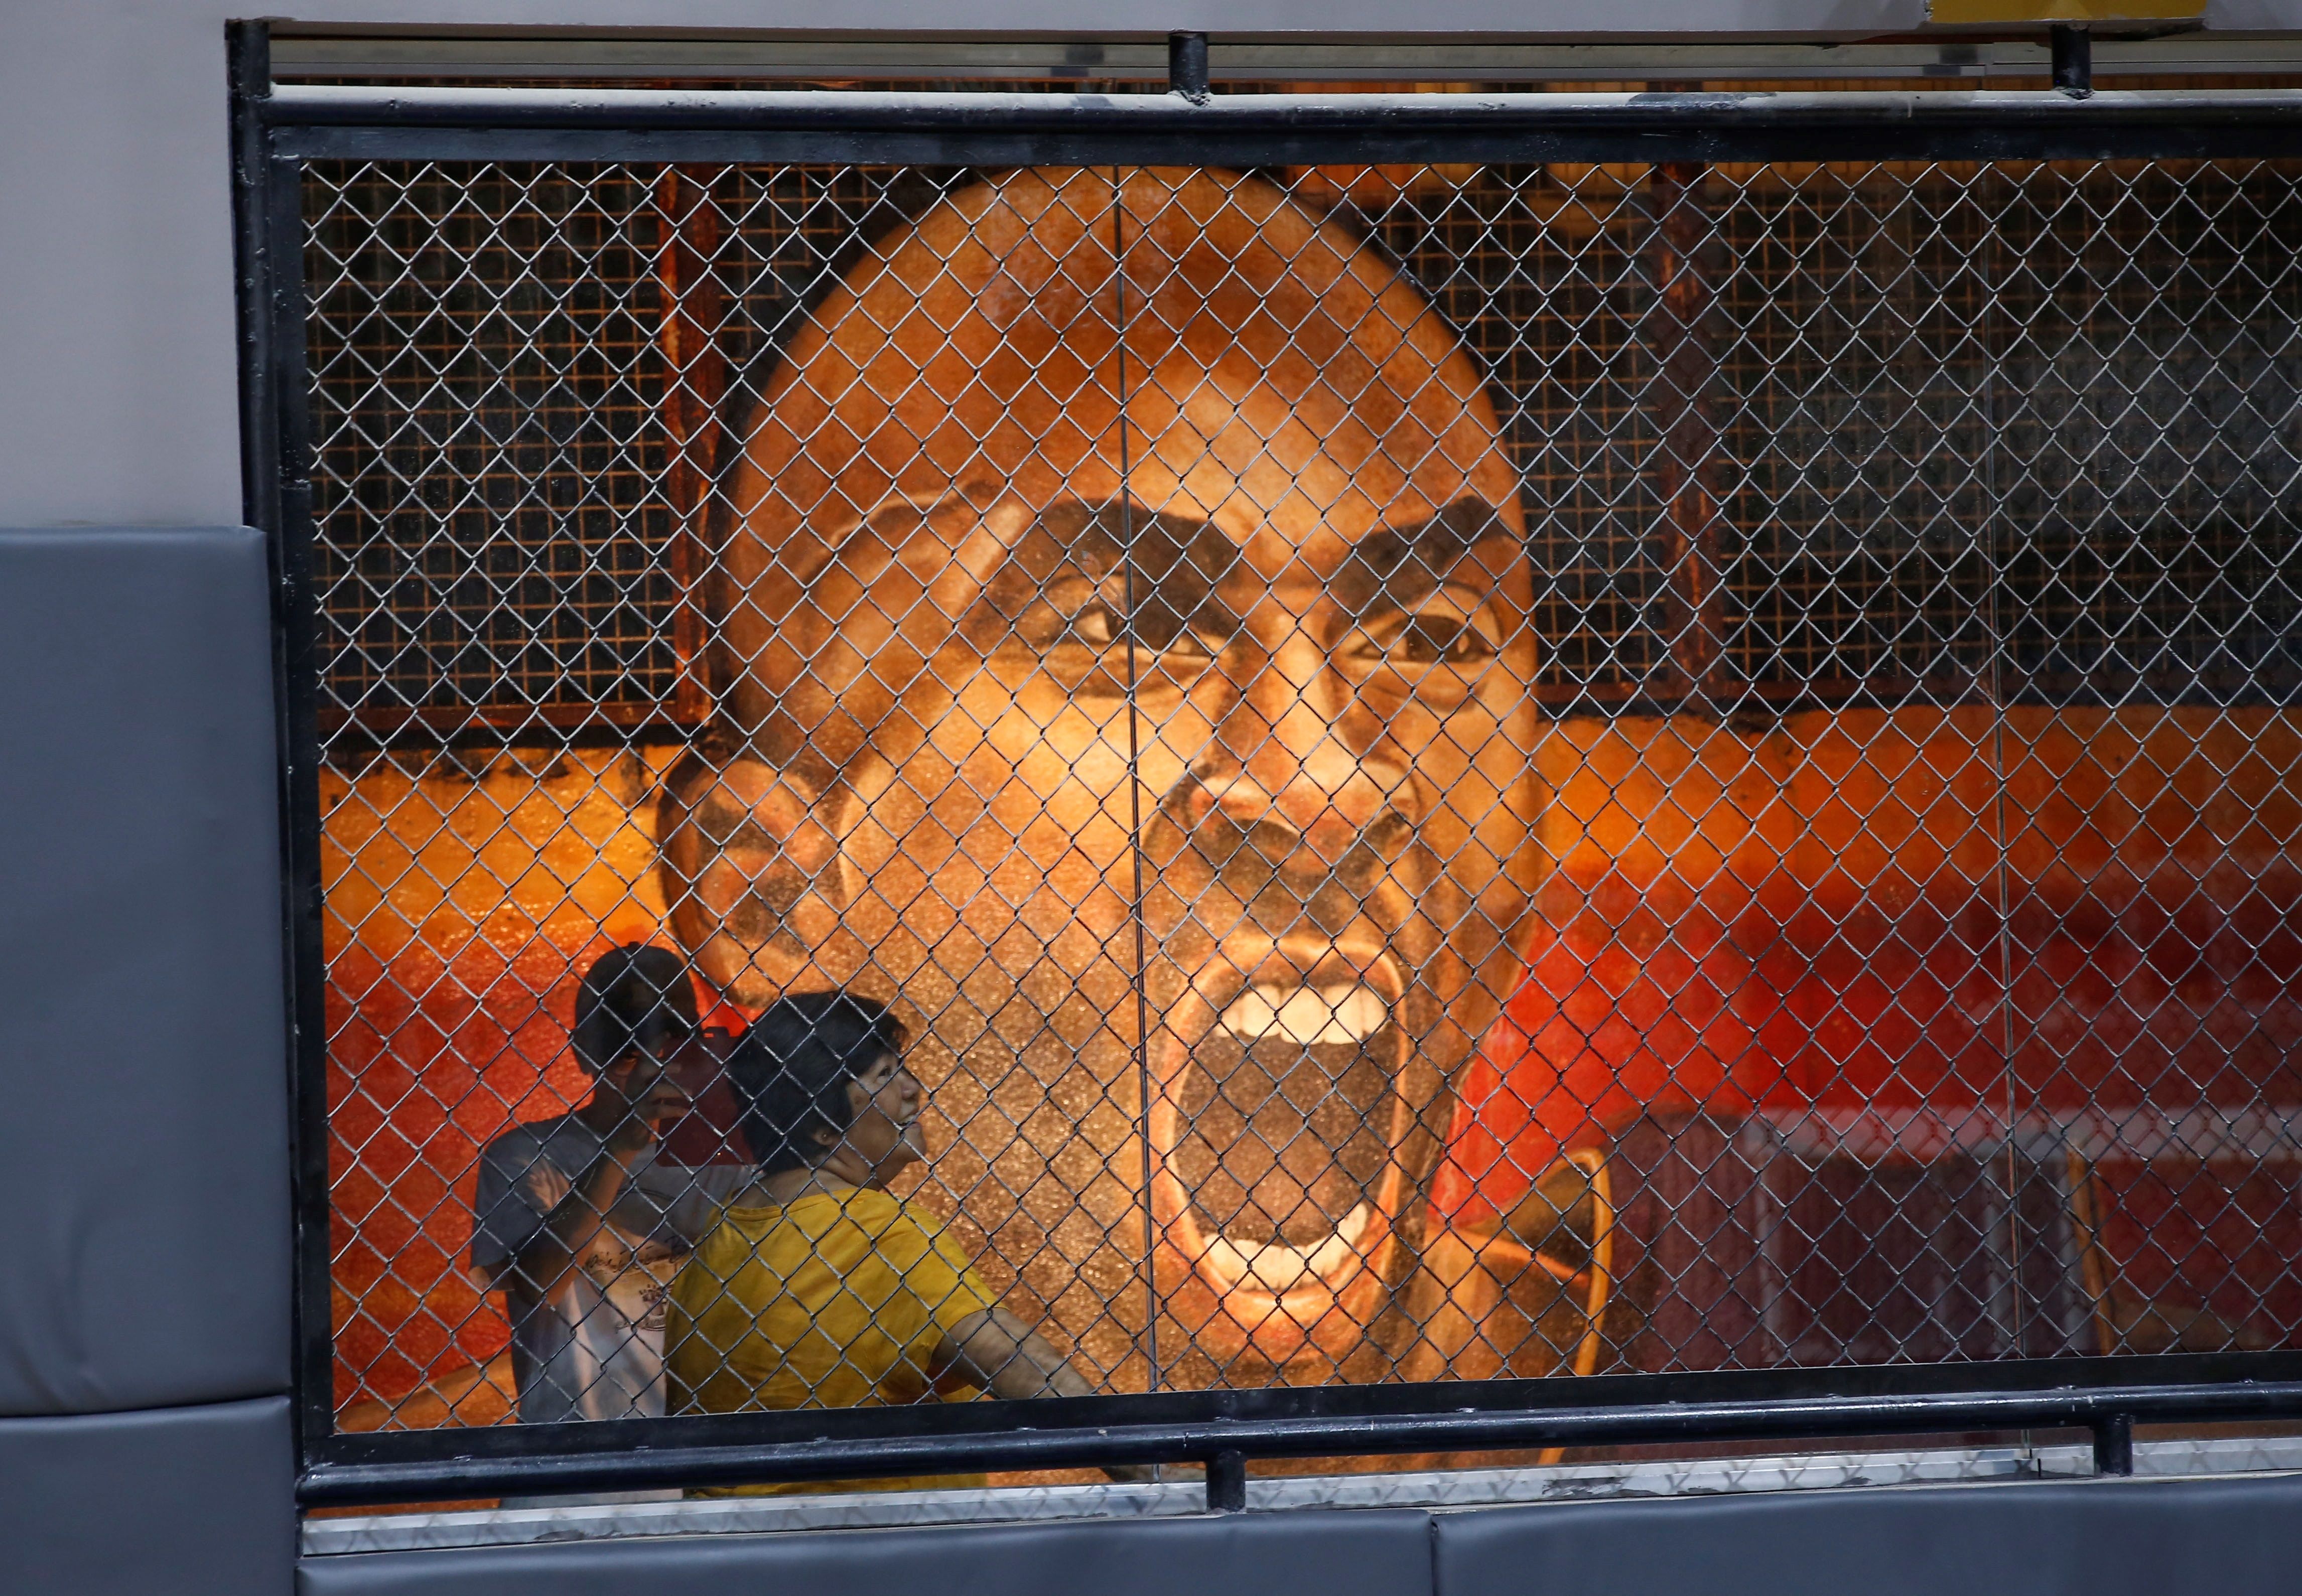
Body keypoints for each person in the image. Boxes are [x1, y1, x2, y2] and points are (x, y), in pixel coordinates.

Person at [654, 167, 1573, 1385]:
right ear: (772, 898)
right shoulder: (586, 1453)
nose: (1329, 787)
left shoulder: (1674, 1373)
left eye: (1432, 637)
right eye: (1125, 627)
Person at [666, 991, 1127, 1492]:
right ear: (822, 1126)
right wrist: (1154, 1468)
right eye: (884, 1075)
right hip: (883, 1535)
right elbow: (1012, 1360)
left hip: (731, 1534)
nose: (913, 1089)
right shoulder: (878, 1232)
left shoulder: (723, 1229)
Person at [469, 943, 735, 1424]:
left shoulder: (723, 1152)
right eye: (628, 1053)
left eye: (672, 1043)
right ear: (584, 1053)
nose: (653, 1066)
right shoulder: (527, 1155)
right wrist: (621, 1147)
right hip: (578, 1435)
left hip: (703, 1429)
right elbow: (539, 1283)